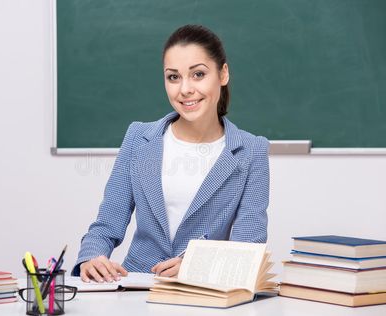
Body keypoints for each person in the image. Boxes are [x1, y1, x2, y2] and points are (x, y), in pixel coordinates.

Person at [72, 24, 269, 283]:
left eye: (198, 74)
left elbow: (248, 247)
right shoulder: (138, 138)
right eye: (173, 77)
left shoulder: (251, 150)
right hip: (137, 289)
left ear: (223, 74)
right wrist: (91, 257)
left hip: (203, 293)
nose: (185, 89)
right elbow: (107, 223)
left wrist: (198, 266)